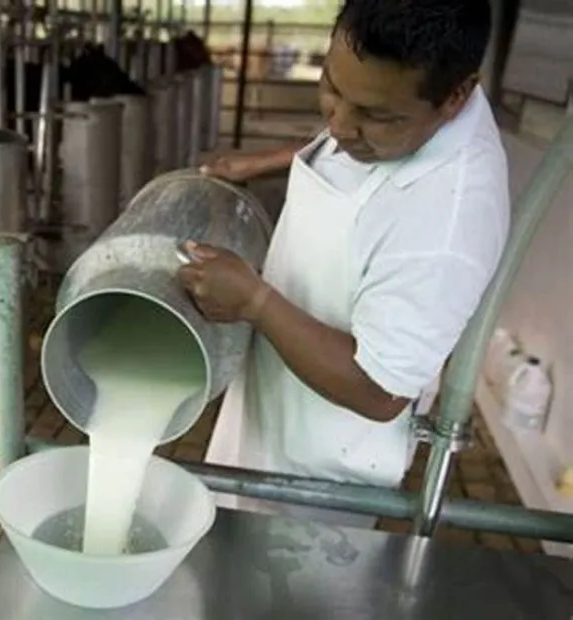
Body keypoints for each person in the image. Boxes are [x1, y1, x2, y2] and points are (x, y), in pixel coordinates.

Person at [178, 0, 508, 528]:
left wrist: (254, 300)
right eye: (331, 86)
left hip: (313, 481)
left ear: (455, 96)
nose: (339, 126)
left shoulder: (446, 221)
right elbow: (354, 124)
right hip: (270, 415)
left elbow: (379, 390)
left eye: (376, 116)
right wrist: (272, 161)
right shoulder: (399, 103)